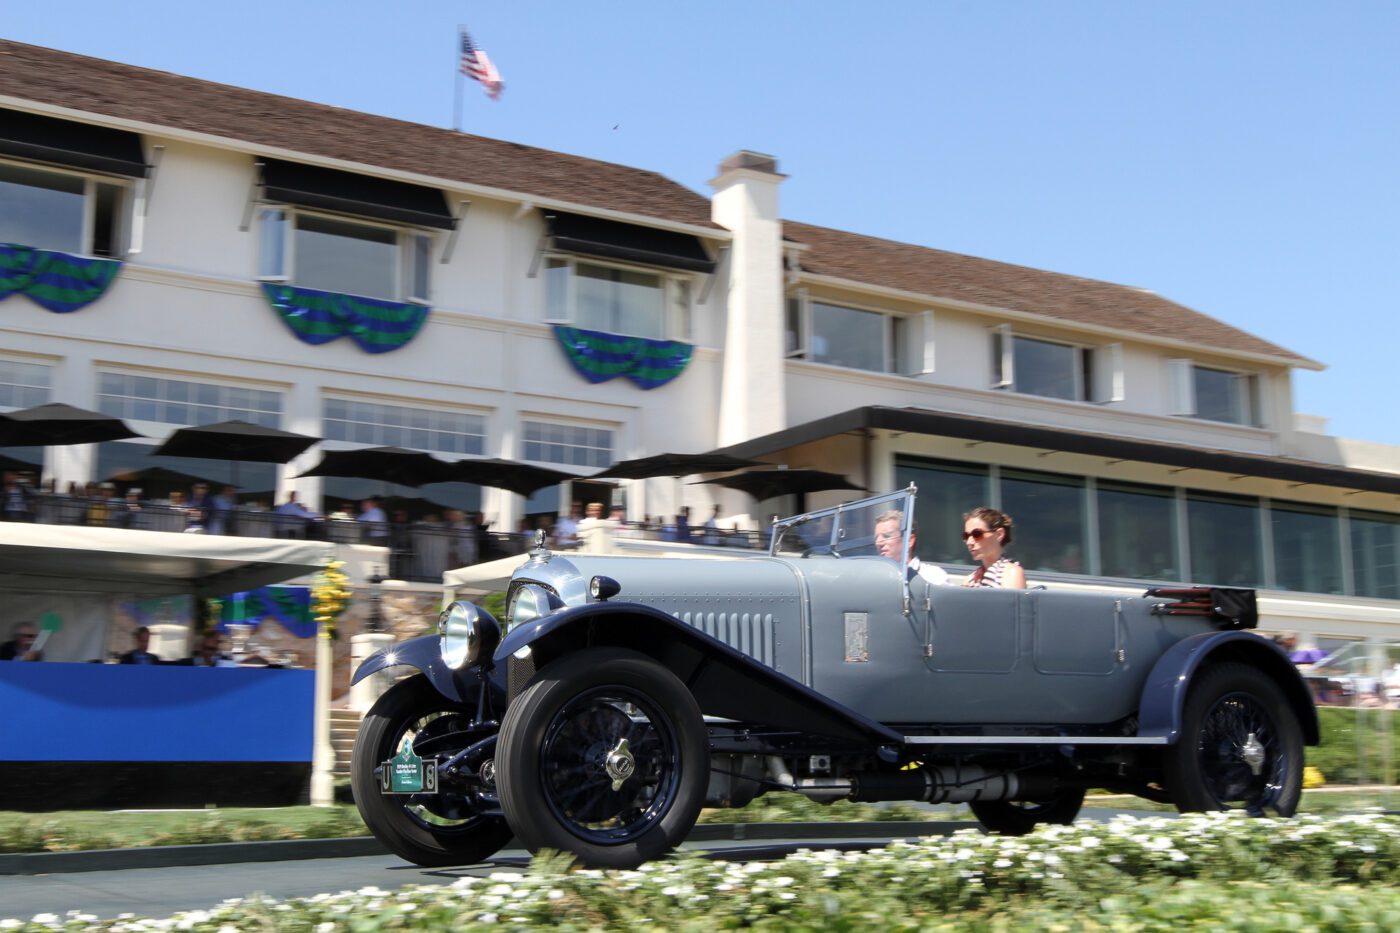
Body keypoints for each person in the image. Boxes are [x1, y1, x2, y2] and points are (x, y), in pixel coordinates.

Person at [874, 510, 949, 585]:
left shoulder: (933, 576)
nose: (878, 542)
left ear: (909, 540)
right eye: (876, 538)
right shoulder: (875, 578)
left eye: (887, 536)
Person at [960, 506, 1026, 589]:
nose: (969, 542)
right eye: (966, 536)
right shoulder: (970, 579)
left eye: (977, 534)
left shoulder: (1011, 573)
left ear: (999, 534)